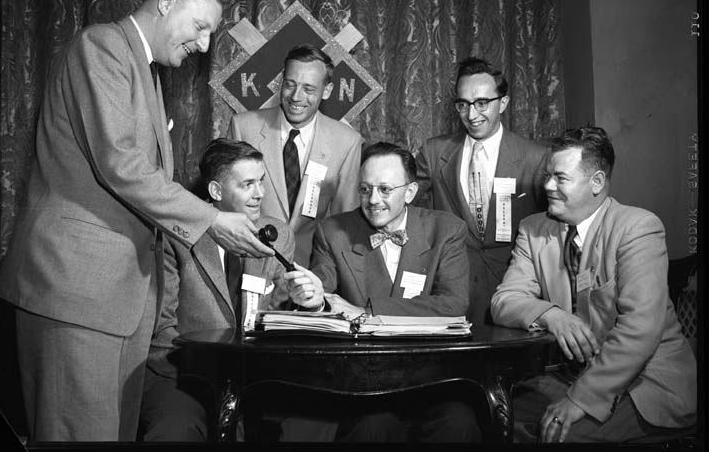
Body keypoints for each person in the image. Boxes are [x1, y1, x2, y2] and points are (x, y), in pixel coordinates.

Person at [0, 0, 273, 442]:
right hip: (77, 291)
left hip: (119, 301)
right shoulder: (102, 46)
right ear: (165, 3)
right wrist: (211, 220)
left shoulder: (147, 73)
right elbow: (119, 162)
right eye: (200, 26)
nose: (204, 44)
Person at [490, 126, 697, 444]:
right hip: (570, 375)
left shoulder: (638, 228)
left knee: (560, 436)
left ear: (597, 182)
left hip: (647, 382)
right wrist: (552, 315)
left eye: (560, 178)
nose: (547, 186)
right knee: (493, 417)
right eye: (548, 175)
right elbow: (504, 300)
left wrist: (579, 400)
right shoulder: (533, 229)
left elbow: (640, 329)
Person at [286, 142, 481, 443]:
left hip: (432, 380)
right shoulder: (333, 231)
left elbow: (453, 305)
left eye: (385, 190)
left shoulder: (446, 230)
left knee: (459, 425)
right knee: (372, 428)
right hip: (365, 384)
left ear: (411, 192)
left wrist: (368, 312)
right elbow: (323, 290)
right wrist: (311, 300)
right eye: (365, 189)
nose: (373, 200)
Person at [139, 138, 295, 442]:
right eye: (247, 184)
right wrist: (211, 378)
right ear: (216, 191)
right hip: (183, 374)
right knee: (176, 431)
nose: (260, 193)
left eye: (261, 181)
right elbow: (162, 328)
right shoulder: (176, 235)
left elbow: (280, 317)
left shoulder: (278, 234)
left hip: (259, 377)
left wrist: (303, 300)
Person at [415, 56, 548, 326]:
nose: (472, 115)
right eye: (463, 104)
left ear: (504, 103)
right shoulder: (434, 152)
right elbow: (406, 208)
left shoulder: (536, 157)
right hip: (452, 287)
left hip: (513, 288)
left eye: (482, 103)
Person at [229, 43, 363, 267]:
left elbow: (344, 221)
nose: (296, 97)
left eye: (308, 89)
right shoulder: (243, 128)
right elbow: (228, 205)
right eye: (290, 85)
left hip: (312, 268)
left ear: (327, 91)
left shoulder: (347, 142)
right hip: (251, 261)